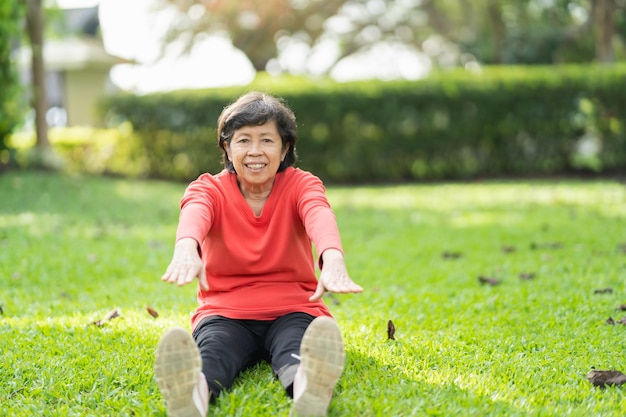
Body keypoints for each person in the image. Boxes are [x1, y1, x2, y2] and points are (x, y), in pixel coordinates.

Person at [154, 91, 363, 417]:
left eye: (267, 140)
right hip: (225, 312)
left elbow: (318, 213)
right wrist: (186, 248)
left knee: (298, 350)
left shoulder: (301, 185)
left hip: (294, 307)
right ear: (227, 147)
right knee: (213, 354)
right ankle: (191, 399)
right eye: (243, 140)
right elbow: (195, 212)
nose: (255, 151)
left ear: (285, 149)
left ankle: (308, 394)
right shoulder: (208, 188)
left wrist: (332, 256)